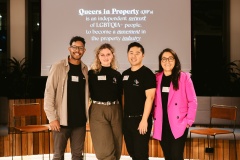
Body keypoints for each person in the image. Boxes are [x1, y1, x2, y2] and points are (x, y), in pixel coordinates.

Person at [44, 36, 89, 160]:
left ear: (84, 51)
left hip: (80, 122)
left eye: (81, 48)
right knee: (58, 156)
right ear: (69, 48)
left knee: (77, 156)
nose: (77, 50)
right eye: (74, 47)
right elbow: (49, 93)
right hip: (61, 121)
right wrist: (52, 118)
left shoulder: (85, 69)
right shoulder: (58, 66)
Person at [152, 48, 198, 160]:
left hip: (179, 123)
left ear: (175, 60)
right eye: (164, 59)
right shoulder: (156, 78)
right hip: (162, 123)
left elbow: (193, 101)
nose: (167, 61)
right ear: (160, 61)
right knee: (167, 156)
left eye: (170, 58)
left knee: (176, 156)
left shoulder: (184, 77)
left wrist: (189, 121)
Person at [122, 42, 156, 160]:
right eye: (131, 53)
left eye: (137, 53)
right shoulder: (125, 74)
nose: (134, 56)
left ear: (143, 55)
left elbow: (150, 98)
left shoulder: (147, 74)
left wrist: (144, 120)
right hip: (127, 120)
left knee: (141, 155)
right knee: (132, 153)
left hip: (141, 119)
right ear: (127, 55)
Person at [88, 43, 123, 160]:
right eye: (102, 54)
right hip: (98, 111)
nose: (105, 57)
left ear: (112, 56)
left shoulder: (117, 75)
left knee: (117, 147)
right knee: (105, 149)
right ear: (98, 56)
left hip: (116, 110)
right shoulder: (91, 74)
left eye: (108, 54)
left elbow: (120, 95)